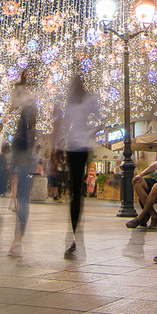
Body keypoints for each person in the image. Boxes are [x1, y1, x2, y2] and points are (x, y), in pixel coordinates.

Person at [53, 73, 99, 258]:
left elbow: (63, 125)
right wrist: (89, 135)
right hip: (79, 148)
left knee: (74, 190)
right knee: (76, 190)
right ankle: (74, 226)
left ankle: (73, 229)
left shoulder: (71, 104)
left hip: (73, 148)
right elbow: (101, 119)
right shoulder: (87, 100)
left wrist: (58, 145)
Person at [8, 69, 37, 259]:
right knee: (23, 198)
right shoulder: (29, 105)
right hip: (21, 153)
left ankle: (18, 241)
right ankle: (16, 241)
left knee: (24, 199)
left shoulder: (29, 107)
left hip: (23, 154)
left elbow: (31, 131)